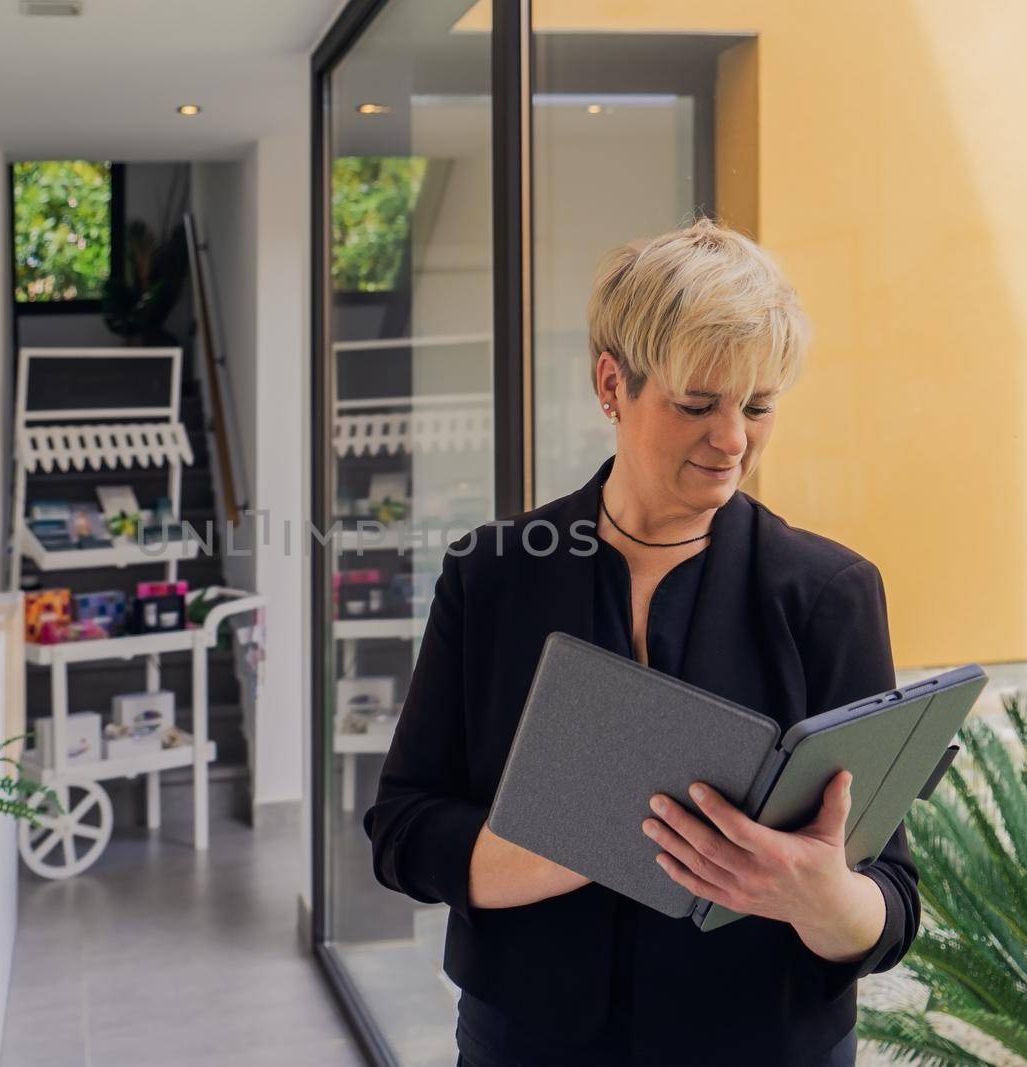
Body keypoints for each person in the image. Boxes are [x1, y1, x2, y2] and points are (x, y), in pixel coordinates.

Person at [362, 217, 916, 1066]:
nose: (733, 441)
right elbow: (402, 828)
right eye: (697, 403)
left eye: (758, 406)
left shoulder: (828, 594)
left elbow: (893, 899)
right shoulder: (492, 578)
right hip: (528, 1041)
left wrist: (823, 897)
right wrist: (551, 847)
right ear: (611, 384)